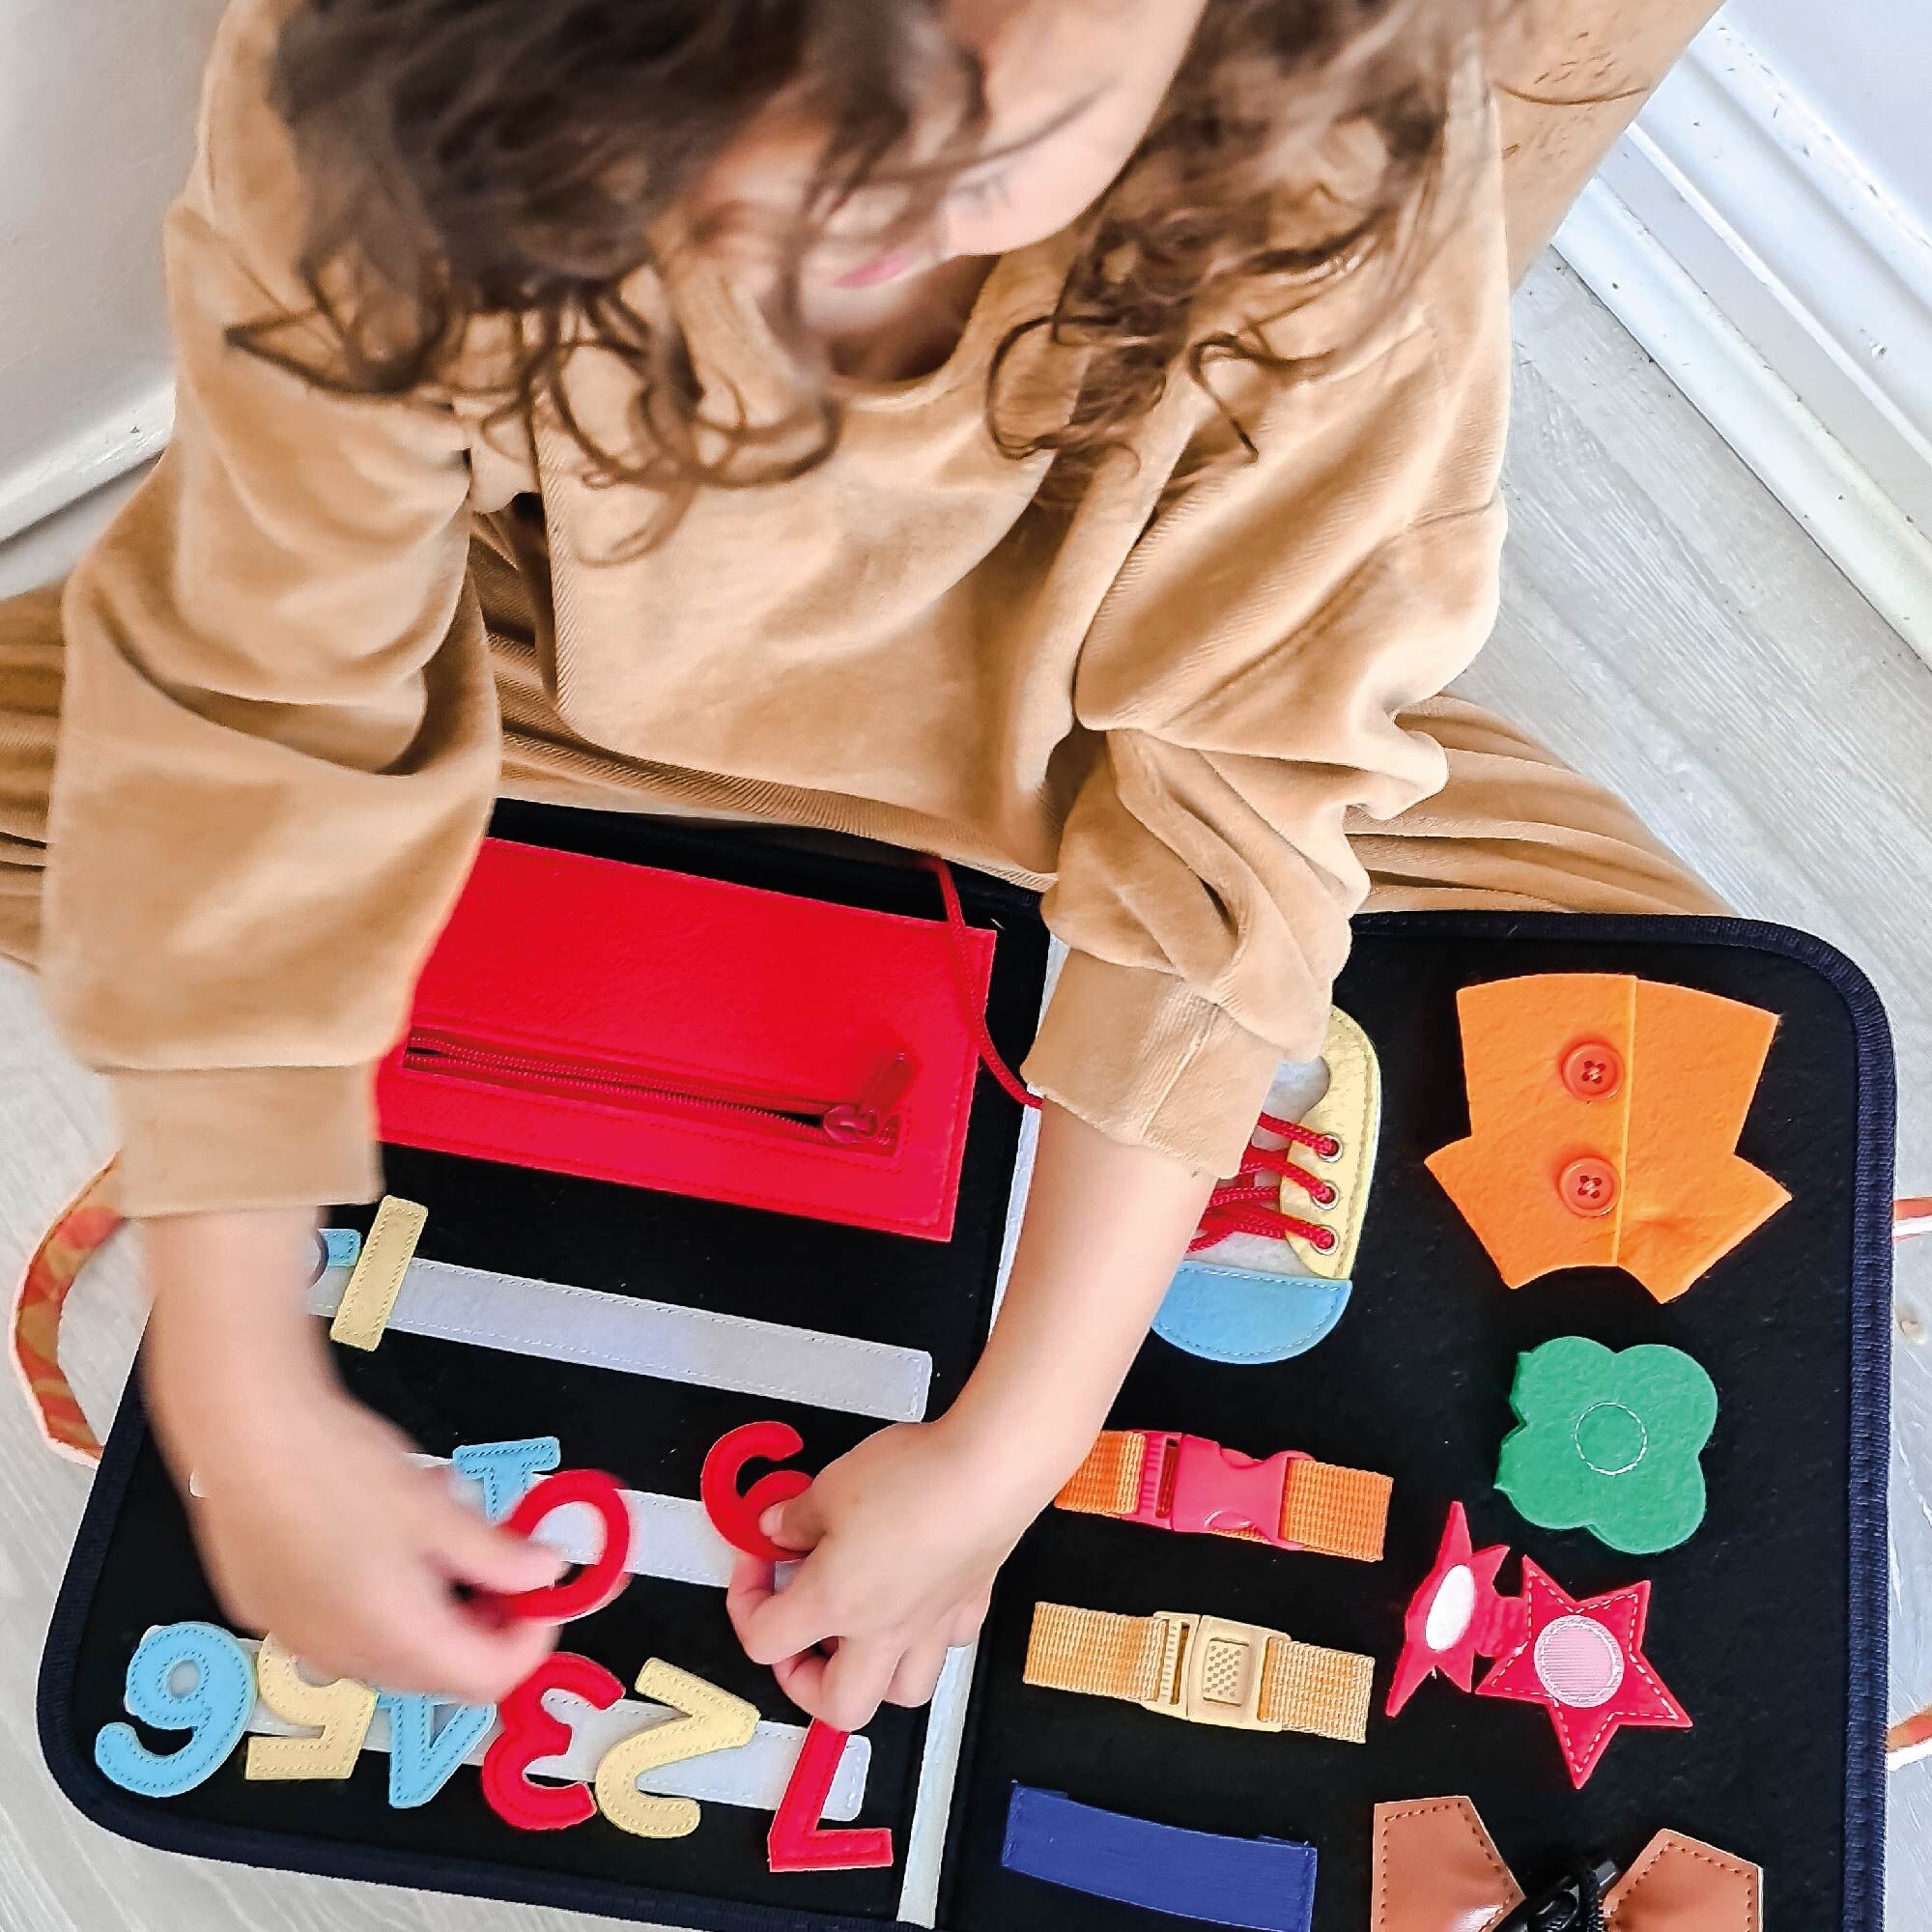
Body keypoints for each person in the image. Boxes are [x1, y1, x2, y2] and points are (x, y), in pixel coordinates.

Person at [0, 0, 1724, 1729]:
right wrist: (237, 1371)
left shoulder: (1346, 148)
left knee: (1685, 1047)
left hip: (1100, 743)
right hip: (560, 667)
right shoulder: (380, 63)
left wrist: (1012, 1447)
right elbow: (258, 700)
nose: (850, 224)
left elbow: (1240, 811)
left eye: (977, 140)